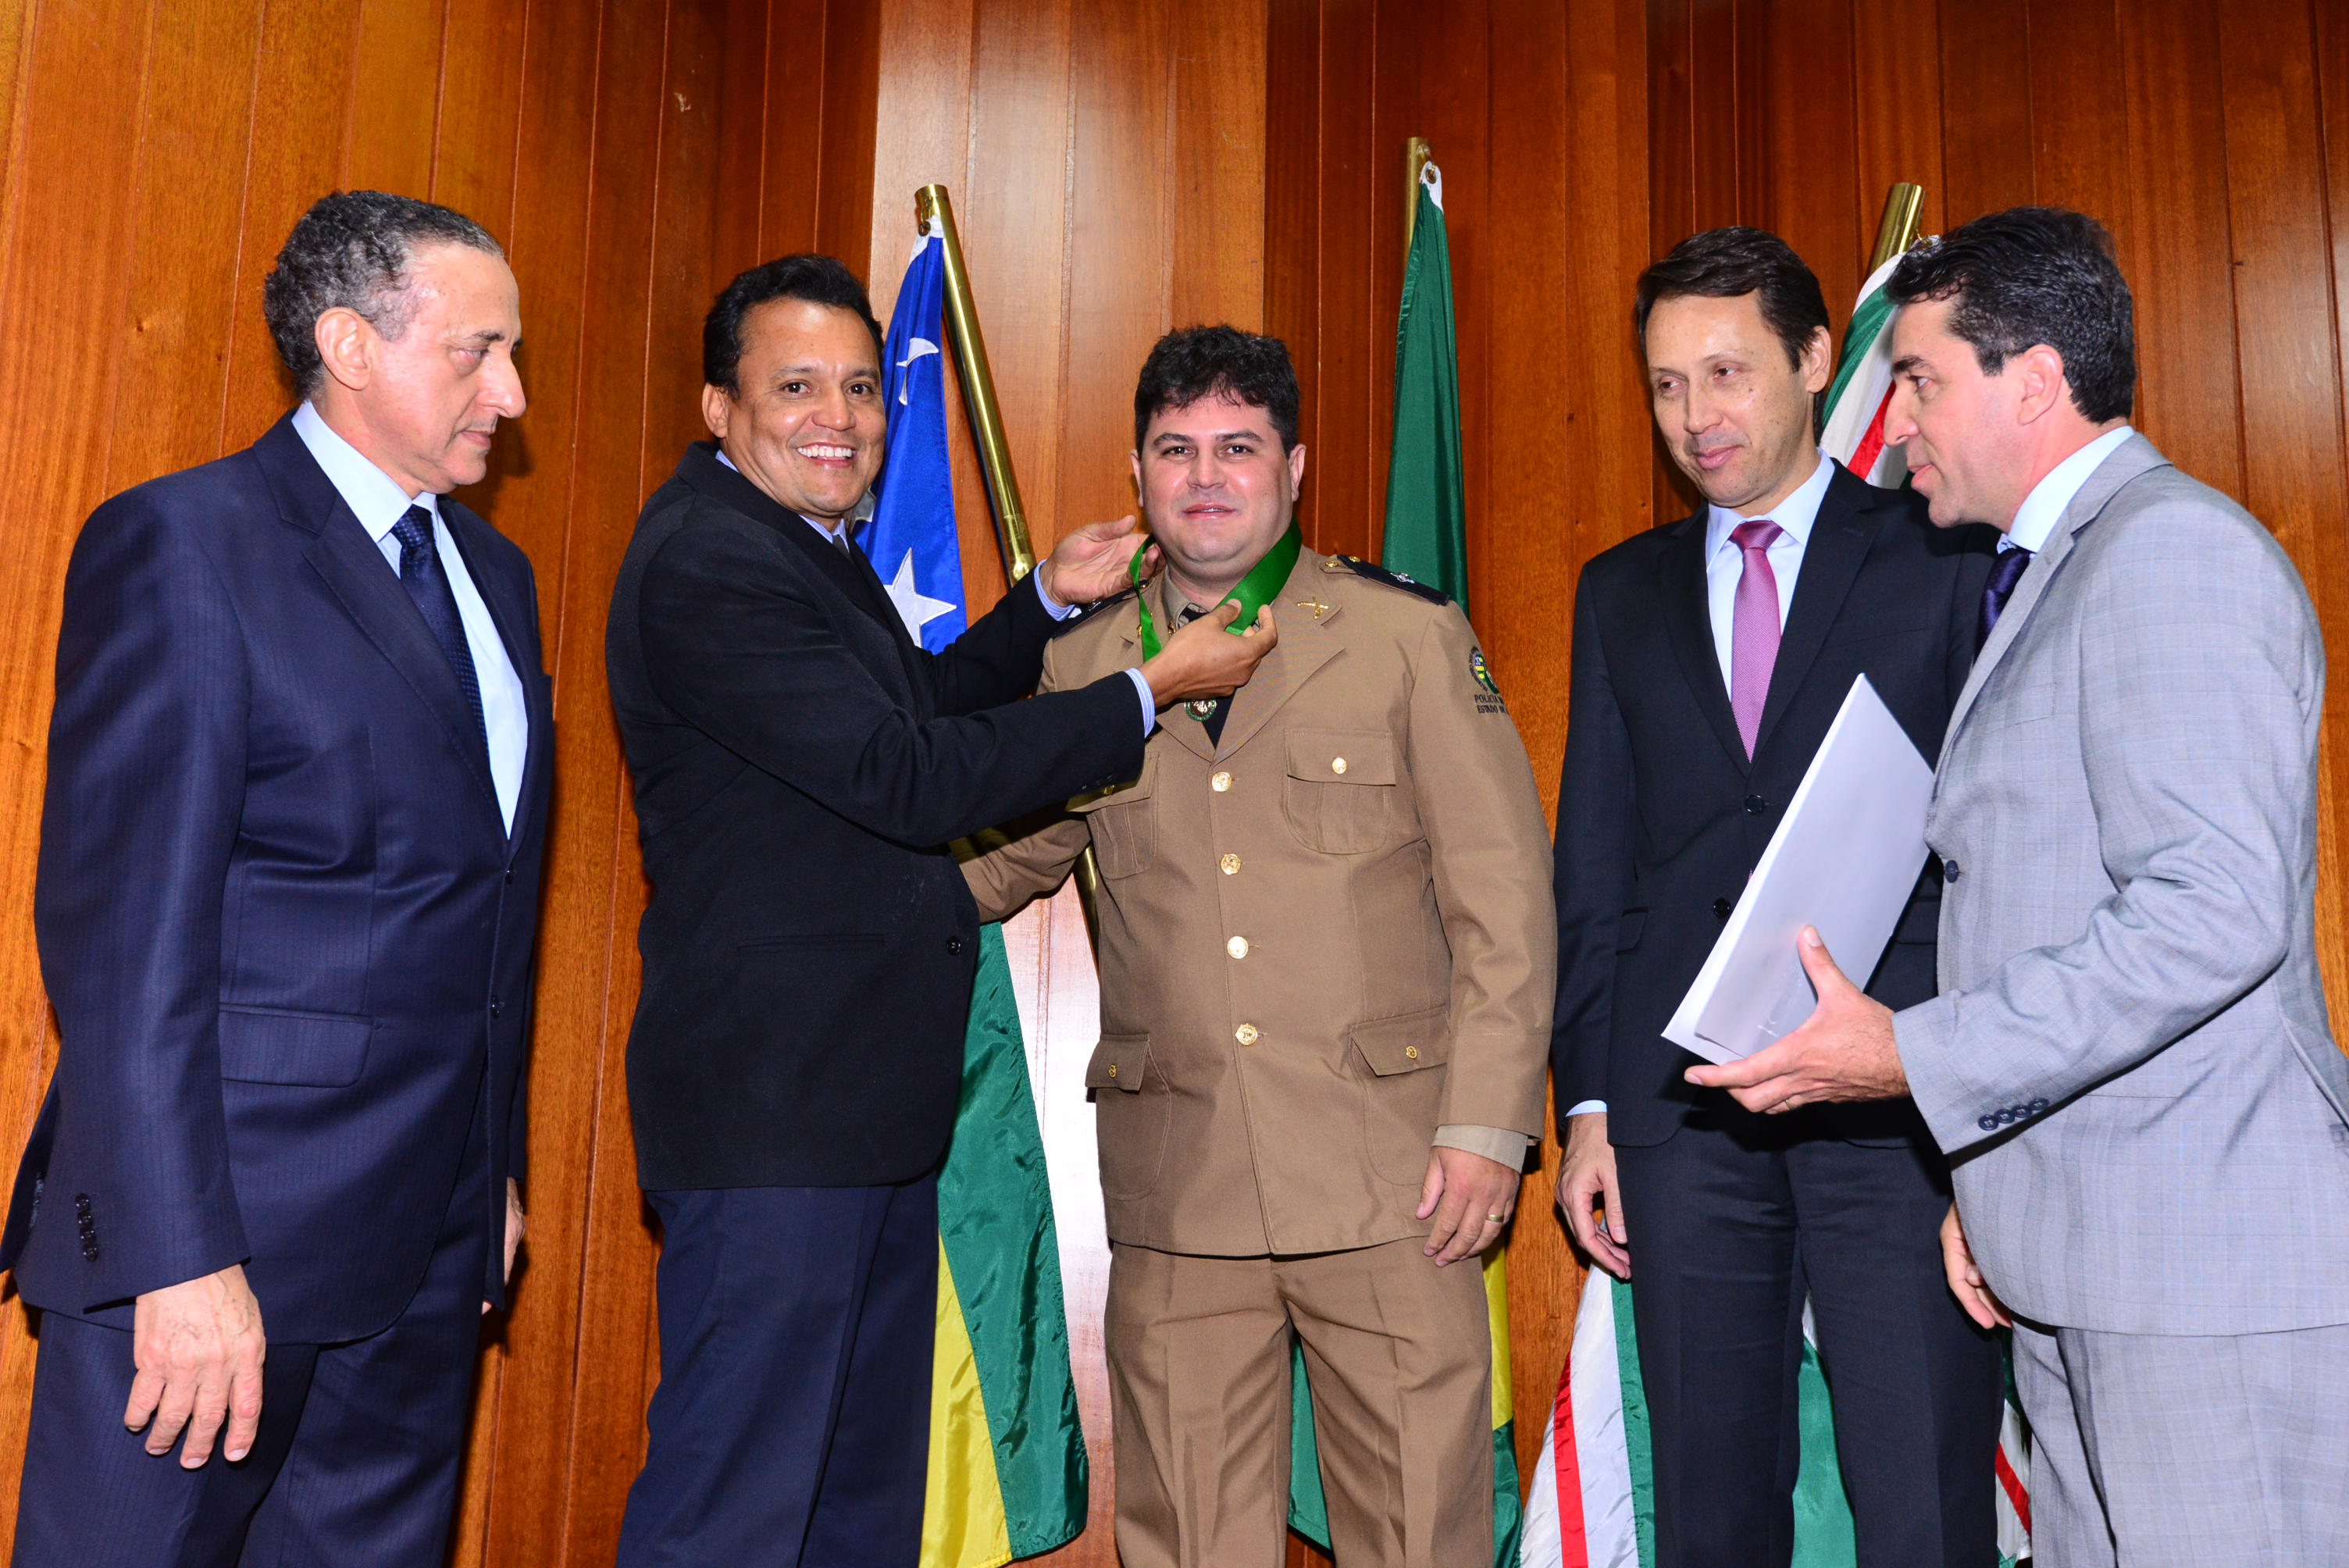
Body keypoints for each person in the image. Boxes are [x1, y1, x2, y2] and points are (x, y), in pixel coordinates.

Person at [1691, 207, 2349, 1565]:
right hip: (2090, 1260)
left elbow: (2208, 912)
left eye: (1920, 381)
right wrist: (1996, 1198)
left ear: (2035, 381)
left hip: (2198, 1279)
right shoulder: (2059, 569)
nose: (1895, 421)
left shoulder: (2169, 552)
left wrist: (1910, 1055)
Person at [603, 258, 1272, 1568]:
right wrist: (1147, 691)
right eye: (797, 387)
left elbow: (910, 705)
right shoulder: (708, 560)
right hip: (774, 1122)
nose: (839, 418)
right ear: (719, 408)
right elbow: (905, 776)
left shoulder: (798, 550)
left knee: (854, 1509)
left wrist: (1044, 604)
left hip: (856, 1112)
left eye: (862, 388)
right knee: (736, 1510)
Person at [0, 191, 551, 1566]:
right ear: (350, 346)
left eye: (512, 353)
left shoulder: (498, 578)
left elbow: (487, 906)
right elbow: (127, 941)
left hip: (427, 1252)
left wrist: (490, 1169)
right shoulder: (188, 544)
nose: (512, 393)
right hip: (213, 1247)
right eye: (477, 352)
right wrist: (176, 1257)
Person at [961, 325, 1553, 1568]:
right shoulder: (1086, 664)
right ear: (1137, 474)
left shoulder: (1403, 638)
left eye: (1238, 446)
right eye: (1175, 449)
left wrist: (1488, 1130)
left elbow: (1502, 904)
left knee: (1421, 1538)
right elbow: (992, 867)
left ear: (1295, 466)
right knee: (1186, 1544)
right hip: (1181, 1193)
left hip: (1397, 1183)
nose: (1206, 476)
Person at [1550, 227, 2003, 1566]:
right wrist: (1589, 1109)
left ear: (1814, 360)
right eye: (1667, 383)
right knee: (1709, 1512)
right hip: (1684, 1122)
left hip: (1893, 1106)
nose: (1696, 414)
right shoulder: (1619, 592)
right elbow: (1600, 866)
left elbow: (1994, 842)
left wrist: (1979, 1102)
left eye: (1727, 372)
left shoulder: (1940, 550)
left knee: (1924, 1505)